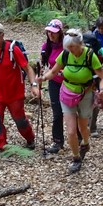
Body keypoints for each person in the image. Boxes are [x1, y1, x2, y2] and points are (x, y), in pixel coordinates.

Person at [36, 29, 103, 174]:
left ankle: (85, 143)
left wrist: (102, 90)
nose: (71, 50)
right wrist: (43, 78)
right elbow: (54, 71)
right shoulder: (66, 53)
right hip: (67, 93)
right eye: (68, 47)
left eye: (73, 47)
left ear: (80, 44)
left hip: (85, 94)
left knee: (83, 127)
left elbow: (102, 76)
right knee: (71, 131)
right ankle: (76, 158)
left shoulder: (89, 55)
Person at [0, 22, 37, 152]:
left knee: (20, 121)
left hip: (15, 94)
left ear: (2, 35)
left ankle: (30, 138)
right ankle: (2, 147)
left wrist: (34, 85)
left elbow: (28, 68)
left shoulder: (13, 50)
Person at [39, 19, 65, 154]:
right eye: (48, 32)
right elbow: (43, 64)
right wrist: (42, 72)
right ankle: (57, 140)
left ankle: (78, 138)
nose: (51, 35)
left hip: (69, 82)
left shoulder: (67, 46)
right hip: (54, 81)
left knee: (73, 112)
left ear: (60, 32)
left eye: (53, 32)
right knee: (57, 112)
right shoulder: (46, 47)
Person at [83, 32, 103, 136]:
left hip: (96, 79)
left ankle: (92, 127)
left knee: (95, 103)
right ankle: (83, 127)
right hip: (82, 80)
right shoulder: (77, 50)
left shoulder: (100, 51)